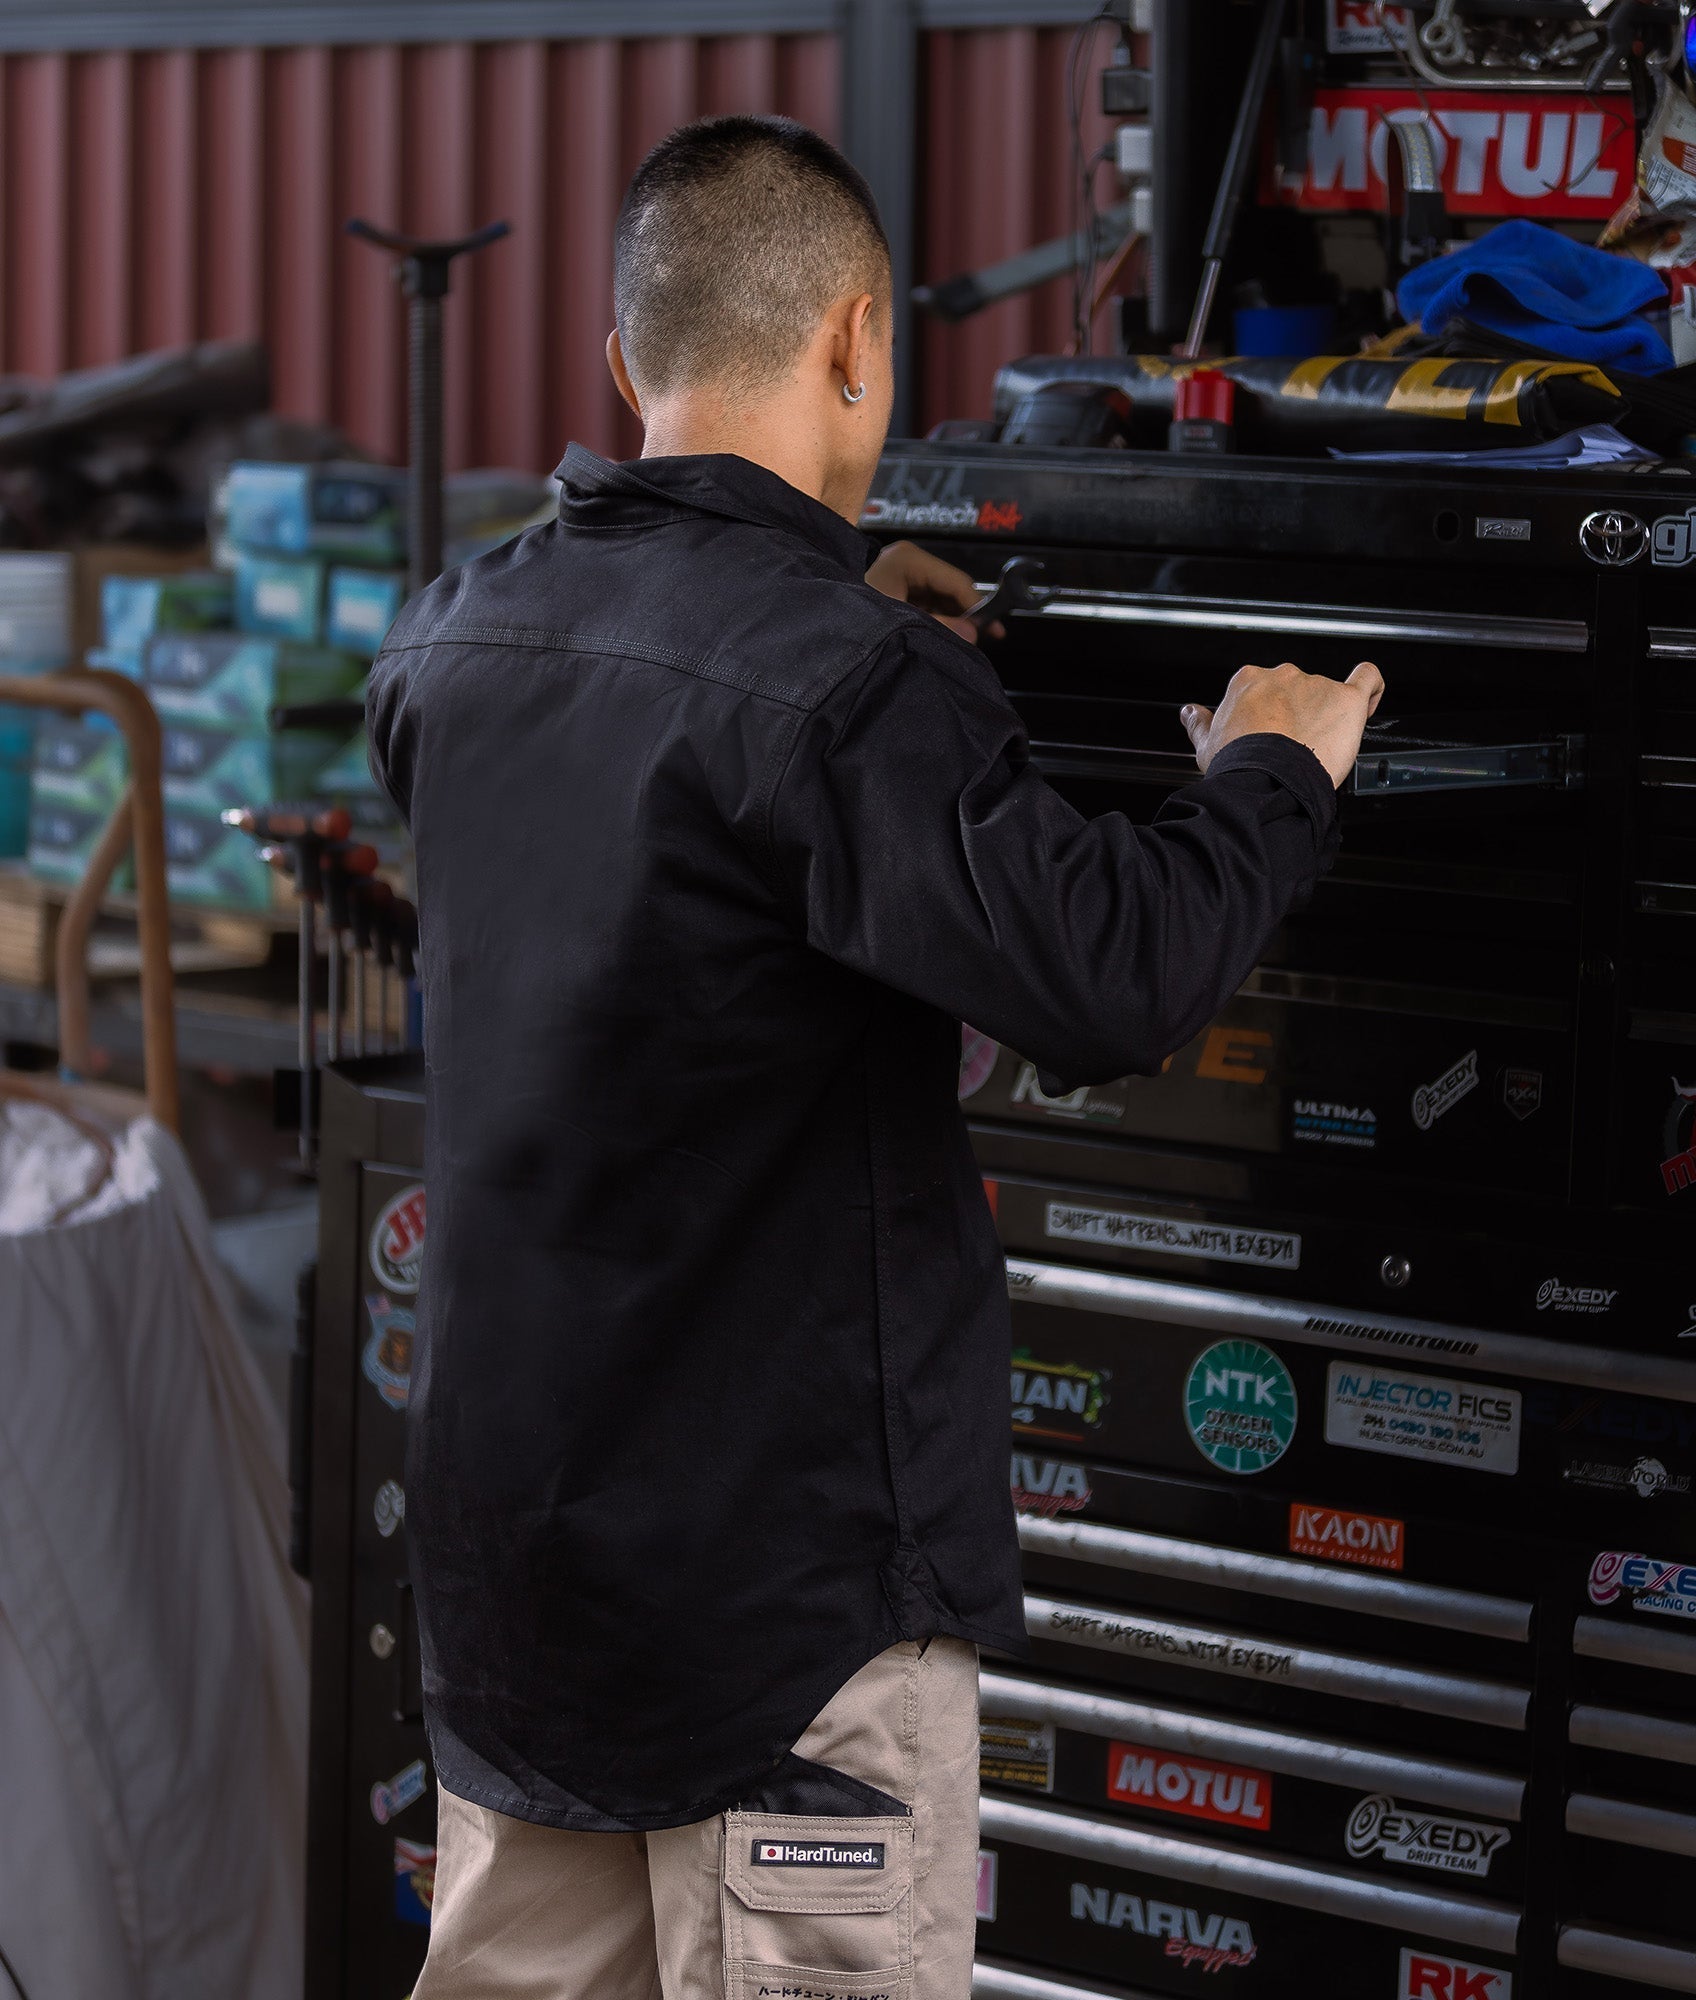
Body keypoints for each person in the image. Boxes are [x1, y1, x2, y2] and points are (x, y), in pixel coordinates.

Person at [367, 113, 1383, 2000]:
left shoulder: (455, 640)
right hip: (784, 1629)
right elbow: (1114, 979)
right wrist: (1271, 769)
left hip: (517, 1604)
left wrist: (844, 632)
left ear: (624, 363)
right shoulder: (846, 692)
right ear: (857, 338)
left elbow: (678, 827)